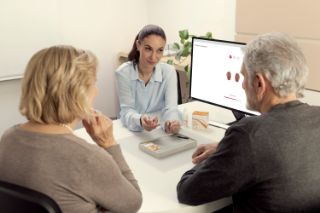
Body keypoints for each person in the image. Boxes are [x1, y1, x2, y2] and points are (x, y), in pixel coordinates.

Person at [176, 32, 320, 212]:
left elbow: (188, 191)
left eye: (243, 77)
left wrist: (223, 154)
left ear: (259, 83)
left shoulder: (248, 135)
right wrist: (228, 148)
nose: (242, 84)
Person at [0, 46, 142, 213]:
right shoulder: (89, 158)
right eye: (93, 83)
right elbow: (132, 203)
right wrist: (108, 143)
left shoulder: (8, 138)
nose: (96, 91)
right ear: (77, 92)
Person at [116, 24, 181, 133]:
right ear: (138, 45)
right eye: (148, 49)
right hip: (132, 131)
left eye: (159, 50)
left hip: (161, 130)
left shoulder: (169, 72)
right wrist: (140, 120)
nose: (153, 57)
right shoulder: (123, 73)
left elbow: (171, 108)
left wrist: (172, 122)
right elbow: (126, 111)